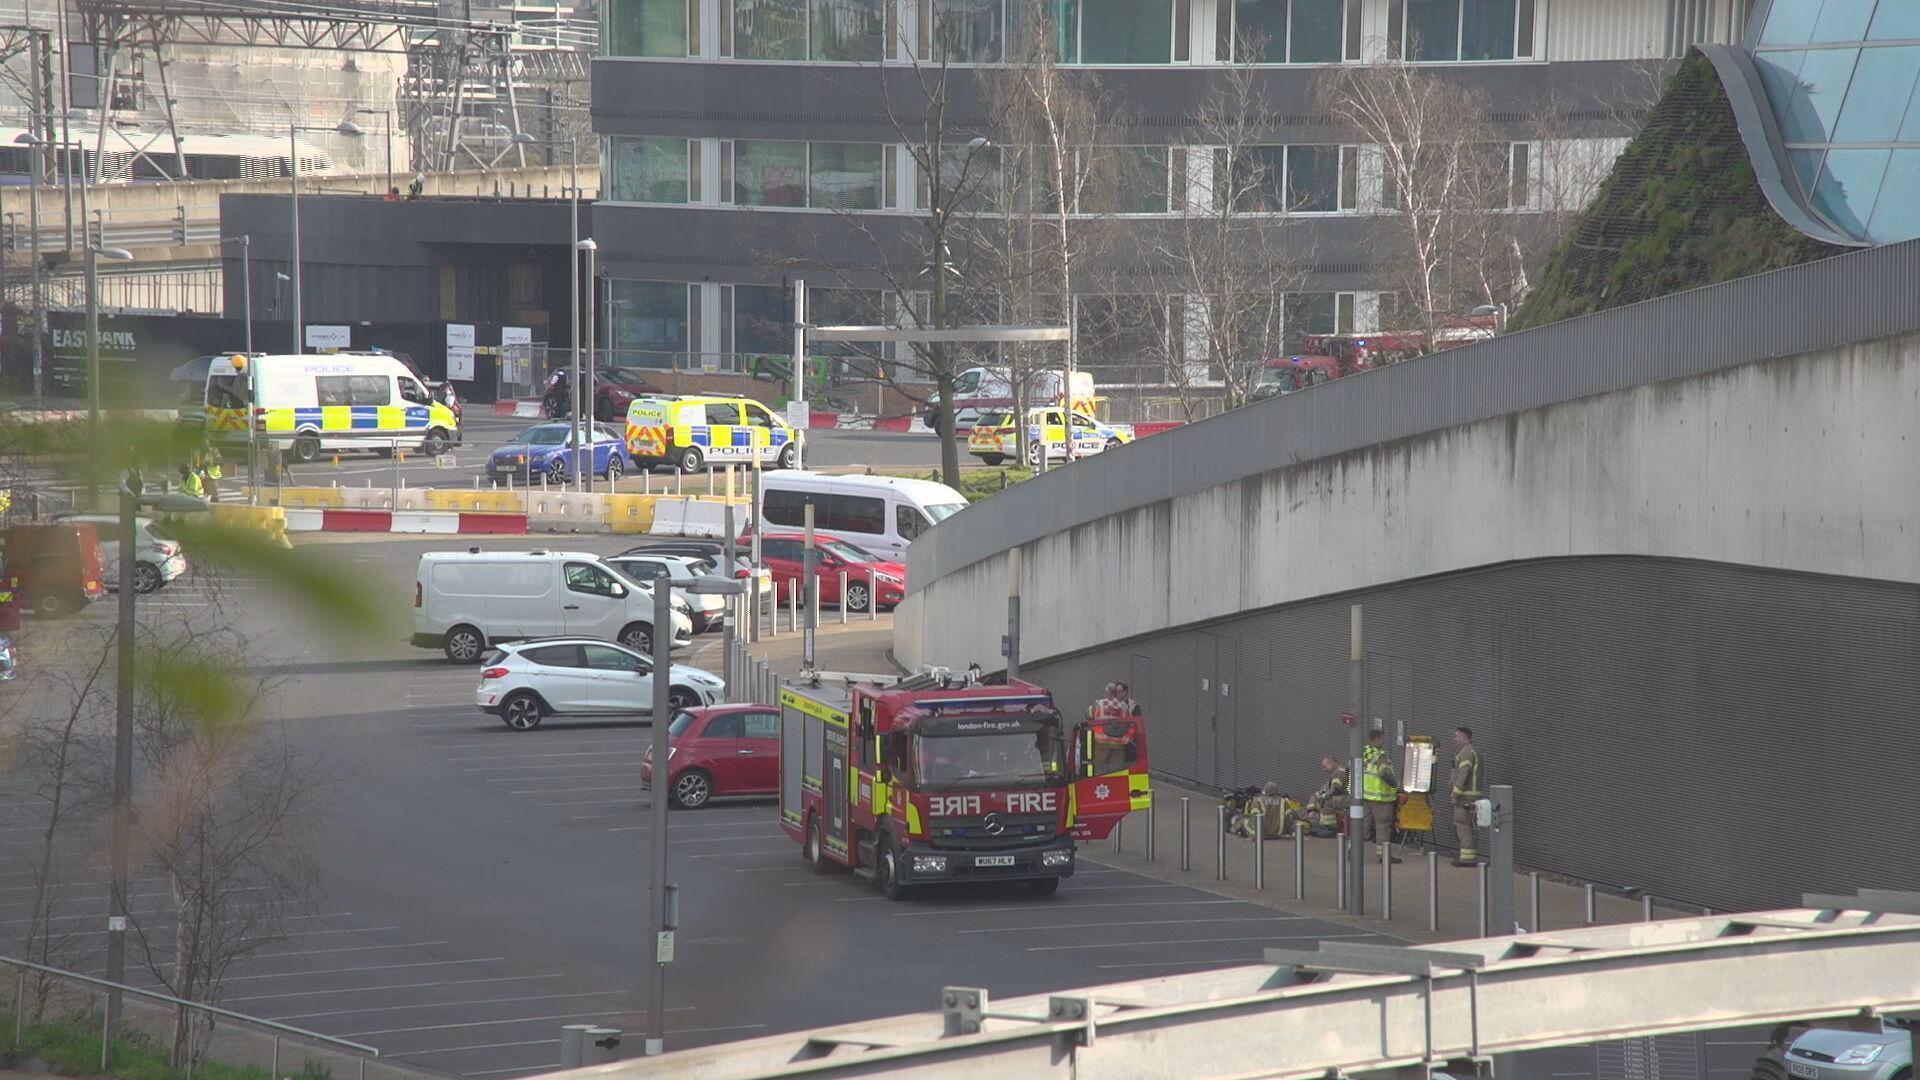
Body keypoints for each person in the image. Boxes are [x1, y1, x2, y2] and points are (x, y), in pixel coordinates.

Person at [1362, 726, 1402, 863]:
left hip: (1364, 795)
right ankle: (1383, 855)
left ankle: (1352, 851)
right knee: (1383, 827)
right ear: (1378, 738)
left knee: (1362, 825)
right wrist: (1397, 785)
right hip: (1379, 797)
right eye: (1383, 738)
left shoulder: (1363, 752)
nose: (1384, 741)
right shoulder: (1380, 755)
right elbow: (1384, 773)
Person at [1450, 726, 1484, 866]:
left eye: (1456, 736)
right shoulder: (1472, 751)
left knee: (1463, 826)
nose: (1454, 739)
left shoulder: (1466, 752)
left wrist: (1455, 793)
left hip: (1464, 797)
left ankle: (1466, 859)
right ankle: (1470, 856)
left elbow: (1463, 774)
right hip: (1472, 797)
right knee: (1470, 826)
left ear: (1464, 737)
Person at [1292, 755, 1348, 838]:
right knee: (1314, 799)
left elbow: (1334, 789)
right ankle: (1310, 814)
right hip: (1339, 798)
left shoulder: (1340, 772)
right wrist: (1314, 804)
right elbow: (1324, 790)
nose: (1324, 770)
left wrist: (1322, 797)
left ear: (1332, 763)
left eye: (1325, 767)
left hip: (1347, 798)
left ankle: (1330, 829)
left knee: (1327, 802)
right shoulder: (1335, 774)